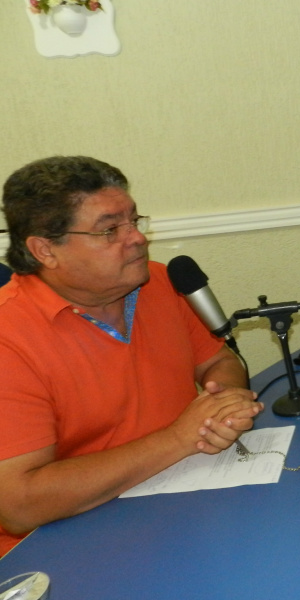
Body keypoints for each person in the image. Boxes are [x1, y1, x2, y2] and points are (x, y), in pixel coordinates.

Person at [0, 156, 264, 556]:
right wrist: (179, 437)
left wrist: (223, 408)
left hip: (181, 498)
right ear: (45, 250)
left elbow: (218, 361)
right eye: (109, 230)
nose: (138, 239)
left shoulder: (156, 281)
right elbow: (19, 506)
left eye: (135, 222)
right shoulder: (8, 338)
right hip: (66, 544)